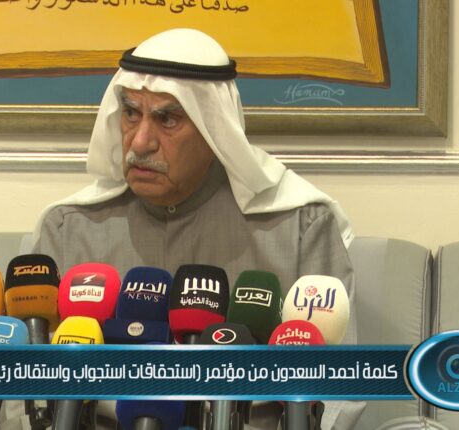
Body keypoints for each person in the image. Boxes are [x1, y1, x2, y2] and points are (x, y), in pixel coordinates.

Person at [30, 28, 364, 430]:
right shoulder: (70, 228)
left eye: (167, 119)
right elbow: (23, 389)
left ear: (213, 129)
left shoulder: (299, 226)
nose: (140, 142)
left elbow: (339, 386)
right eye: (131, 113)